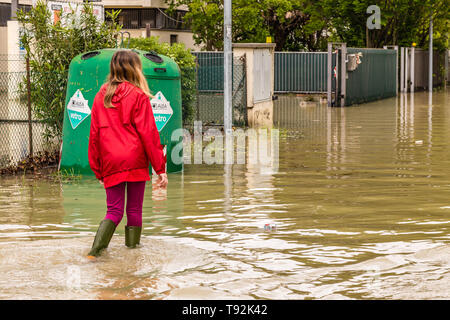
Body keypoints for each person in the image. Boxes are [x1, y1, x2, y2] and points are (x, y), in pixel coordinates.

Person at [86, 50, 168, 260]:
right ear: (135, 69)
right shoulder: (138, 96)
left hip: (110, 160)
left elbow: (94, 134)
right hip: (135, 159)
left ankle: (94, 254)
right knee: (134, 211)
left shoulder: (100, 96)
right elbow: (149, 134)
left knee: (113, 211)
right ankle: (133, 257)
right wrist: (160, 168)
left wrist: (97, 168)